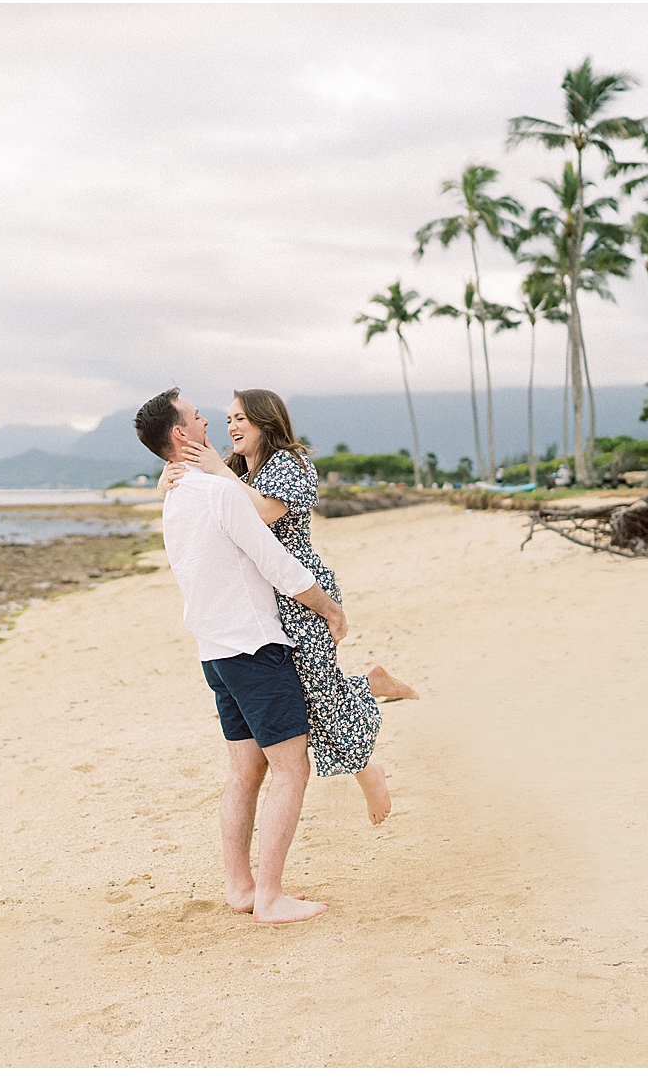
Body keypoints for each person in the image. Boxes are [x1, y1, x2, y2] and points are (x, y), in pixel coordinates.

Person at [158, 389, 418, 828]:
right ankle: (370, 685)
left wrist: (219, 470)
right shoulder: (240, 467)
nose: (232, 427)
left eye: (242, 418)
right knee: (299, 704)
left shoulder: (291, 466)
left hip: (302, 592)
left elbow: (260, 514)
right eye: (228, 420)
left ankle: (368, 771)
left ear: (266, 422)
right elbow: (192, 490)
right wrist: (168, 478)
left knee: (317, 699)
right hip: (264, 601)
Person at [134, 388, 337, 925]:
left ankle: (241, 887)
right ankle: (269, 896)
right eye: (200, 417)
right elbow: (276, 562)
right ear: (181, 435)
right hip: (254, 646)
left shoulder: (178, 494)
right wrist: (328, 609)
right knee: (292, 769)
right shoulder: (219, 492)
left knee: (245, 770)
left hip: (215, 652)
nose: (211, 423)